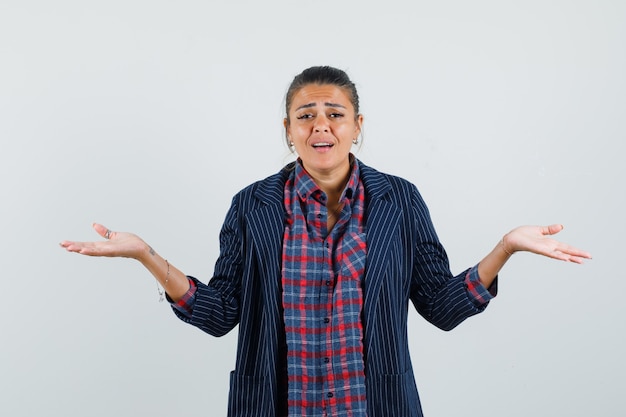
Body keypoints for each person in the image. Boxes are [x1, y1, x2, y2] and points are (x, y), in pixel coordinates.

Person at [60, 66, 591, 417]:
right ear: (288, 128)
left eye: (334, 114)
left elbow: (442, 307)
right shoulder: (253, 205)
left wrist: (506, 248)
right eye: (305, 115)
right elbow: (222, 313)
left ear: (357, 125)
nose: (321, 125)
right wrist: (145, 255)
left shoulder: (400, 201)